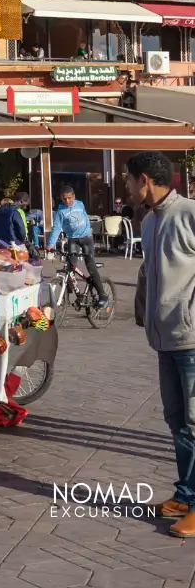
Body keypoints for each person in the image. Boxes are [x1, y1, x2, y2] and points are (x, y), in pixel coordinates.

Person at [130, 151, 195, 536]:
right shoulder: (151, 220)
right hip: (164, 338)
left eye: (128, 179)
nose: (126, 186)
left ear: (144, 180)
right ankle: (186, 494)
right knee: (178, 422)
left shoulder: (188, 212)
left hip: (190, 338)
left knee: (194, 420)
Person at [47, 186, 107, 305]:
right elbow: (57, 228)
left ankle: (102, 295)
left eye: (69, 198)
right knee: (70, 266)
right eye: (65, 199)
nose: (67, 201)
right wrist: (50, 244)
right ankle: (68, 292)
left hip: (86, 238)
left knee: (90, 266)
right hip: (73, 240)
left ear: (74, 197)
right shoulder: (60, 211)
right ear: (61, 198)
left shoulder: (80, 204)